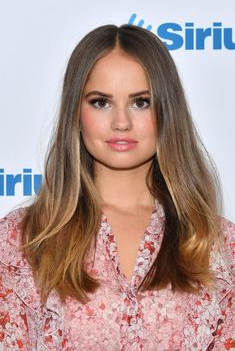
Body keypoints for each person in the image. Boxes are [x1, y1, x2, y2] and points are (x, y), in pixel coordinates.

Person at [0, 23, 234, 351]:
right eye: (100, 102)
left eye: (140, 102)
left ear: (167, 111)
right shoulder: (20, 240)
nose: (121, 121)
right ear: (75, 113)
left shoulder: (219, 244)